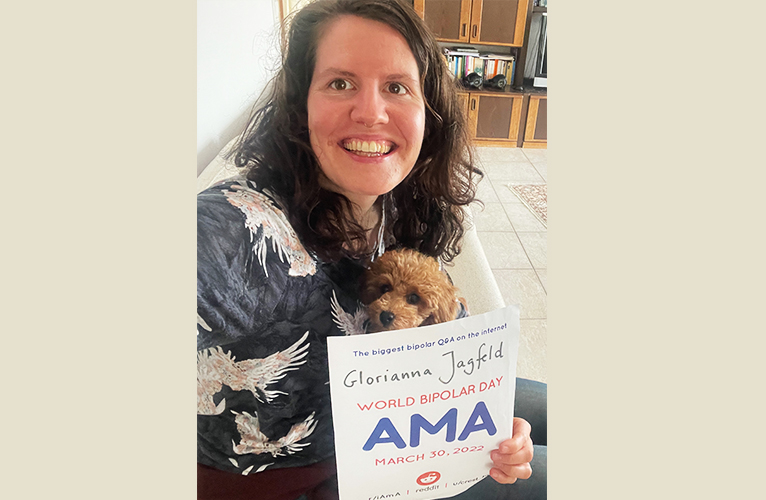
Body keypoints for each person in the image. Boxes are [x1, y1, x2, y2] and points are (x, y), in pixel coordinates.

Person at [197, 0, 545, 498]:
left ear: (429, 112)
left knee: (544, 416)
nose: (371, 112)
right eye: (340, 83)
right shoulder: (242, 230)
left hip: (409, 409)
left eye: (397, 87)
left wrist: (482, 389)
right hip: (312, 476)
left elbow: (436, 304)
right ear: (301, 103)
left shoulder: (393, 197)